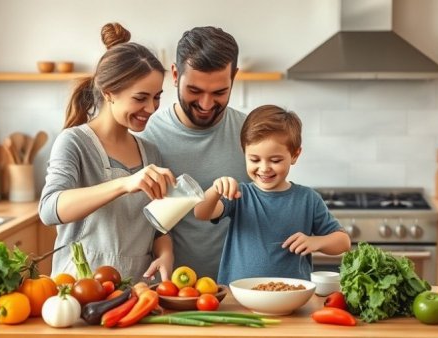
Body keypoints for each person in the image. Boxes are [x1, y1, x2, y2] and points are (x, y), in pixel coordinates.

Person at [38, 22, 176, 283]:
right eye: (140, 98)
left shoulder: (150, 153)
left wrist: (166, 252)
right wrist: (124, 184)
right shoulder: (74, 142)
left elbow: (159, 226)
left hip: (136, 295)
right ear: (109, 93)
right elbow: (49, 209)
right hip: (79, 292)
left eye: (157, 97)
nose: (151, 107)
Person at [194, 105, 351, 285]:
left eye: (275, 160)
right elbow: (200, 212)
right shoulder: (240, 195)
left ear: (295, 154)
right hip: (238, 297)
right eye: (254, 159)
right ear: (243, 151)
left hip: (291, 296)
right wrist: (215, 190)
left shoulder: (308, 198)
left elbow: (343, 242)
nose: (264, 168)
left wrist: (317, 242)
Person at [140, 26, 250, 279]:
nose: (206, 104)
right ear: (176, 75)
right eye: (195, 91)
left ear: (234, 77)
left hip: (239, 290)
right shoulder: (146, 137)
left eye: (220, 92)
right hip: (170, 291)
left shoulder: (251, 135)